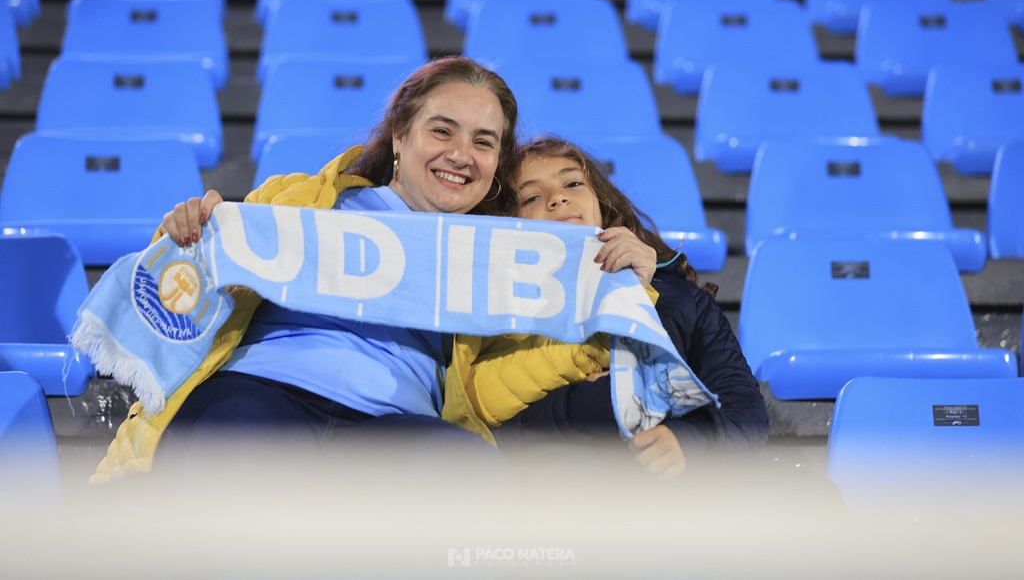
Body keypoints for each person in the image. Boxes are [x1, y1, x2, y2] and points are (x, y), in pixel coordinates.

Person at [90, 56, 523, 481]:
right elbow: (182, 297)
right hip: (259, 392)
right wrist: (186, 237)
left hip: (395, 428)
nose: (461, 155)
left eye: (483, 142)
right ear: (399, 135)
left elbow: (517, 370)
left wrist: (574, 291)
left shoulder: (498, 260)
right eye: (442, 130)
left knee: (474, 476)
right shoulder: (297, 199)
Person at [446, 136, 770, 480]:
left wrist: (687, 437)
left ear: (601, 203)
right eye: (531, 197)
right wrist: (600, 396)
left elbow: (745, 411)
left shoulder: (680, 299)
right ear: (506, 224)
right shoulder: (494, 303)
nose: (557, 198)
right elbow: (483, 411)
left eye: (572, 183)